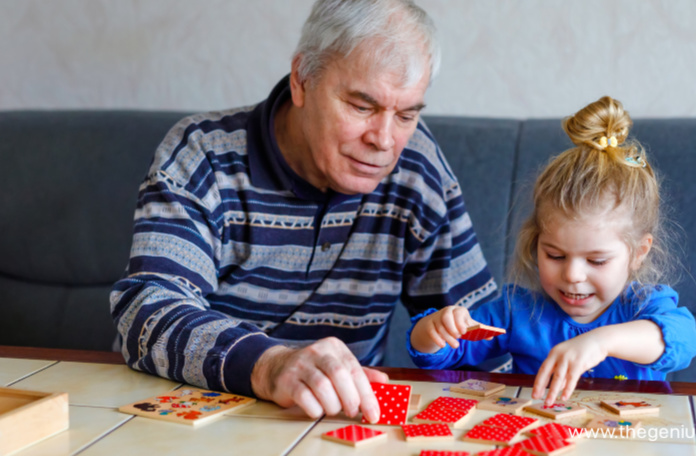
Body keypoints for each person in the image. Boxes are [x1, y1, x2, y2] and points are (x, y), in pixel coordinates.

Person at [110, 0, 497, 423]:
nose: (385, 141)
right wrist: (268, 365)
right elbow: (146, 313)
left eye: (406, 114)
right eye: (362, 107)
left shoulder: (416, 166)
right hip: (196, 417)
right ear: (302, 80)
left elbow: (483, 334)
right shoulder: (202, 155)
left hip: (338, 423)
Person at [407, 96, 696, 406]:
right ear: (536, 244)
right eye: (555, 256)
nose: (572, 275)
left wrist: (601, 342)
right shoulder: (516, 312)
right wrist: (433, 330)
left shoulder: (643, 306)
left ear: (638, 252)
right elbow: (438, 357)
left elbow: (683, 340)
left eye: (596, 260)